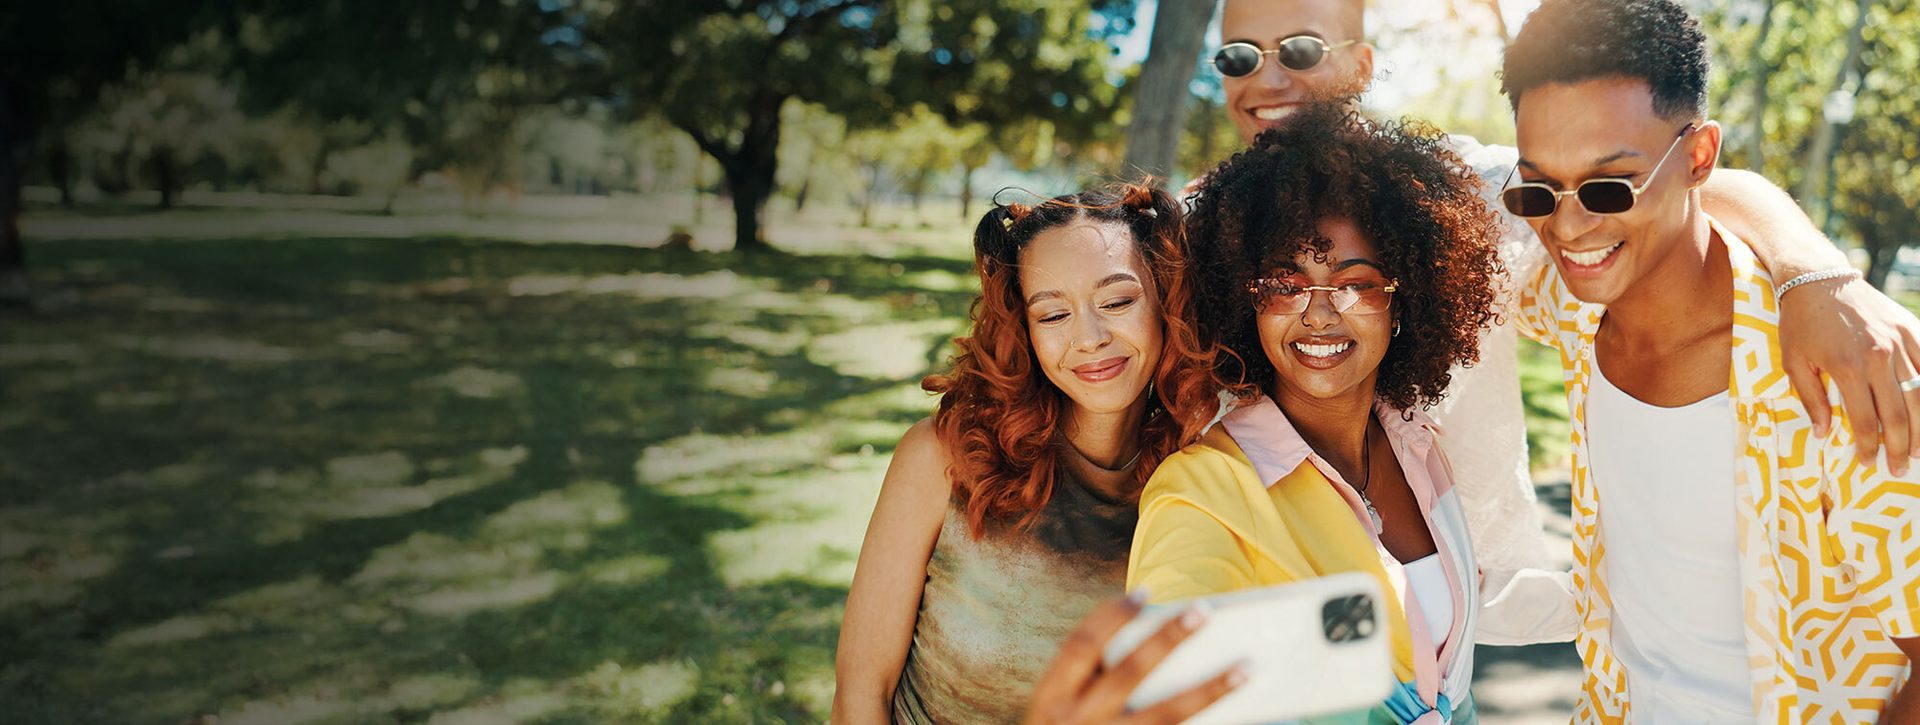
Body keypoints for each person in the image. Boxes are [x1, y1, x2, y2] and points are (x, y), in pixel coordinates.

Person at [1207, 0, 1920, 576]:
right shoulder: (1194, 229)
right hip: (1266, 598)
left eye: (1300, 49)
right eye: (1239, 57)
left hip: (1445, 604)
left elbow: (1659, 190)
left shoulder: (1444, 189)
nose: (1269, 79)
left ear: (1361, 64)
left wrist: (1814, 274)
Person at [1494, 1, 1919, 720]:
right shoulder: (1571, 300)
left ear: (1698, 156)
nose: (1567, 226)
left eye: (1607, 187)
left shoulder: (1838, 372)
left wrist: (1815, 274)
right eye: (1538, 187)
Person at [1129, 102, 1507, 724]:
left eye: (1355, 283)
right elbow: (1169, 690)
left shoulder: (1417, 446)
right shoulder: (1202, 490)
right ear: (1244, 299)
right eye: (1285, 283)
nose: (1319, 314)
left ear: (1404, 295)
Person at [832, 184, 1235, 724]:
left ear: (1167, 302)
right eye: (1052, 315)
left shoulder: (1200, 481)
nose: (1089, 338)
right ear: (1023, 328)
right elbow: (862, 693)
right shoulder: (942, 457)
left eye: (1116, 301)